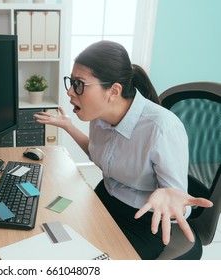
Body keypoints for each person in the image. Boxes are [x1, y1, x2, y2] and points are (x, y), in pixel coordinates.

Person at [34, 40, 213, 259]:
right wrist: (68, 126)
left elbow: (178, 204)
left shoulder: (161, 128)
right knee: (52, 242)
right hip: (103, 199)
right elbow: (99, 156)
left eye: (79, 84)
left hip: (142, 222)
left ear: (114, 91)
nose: (70, 91)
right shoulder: (99, 116)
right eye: (71, 82)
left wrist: (169, 198)